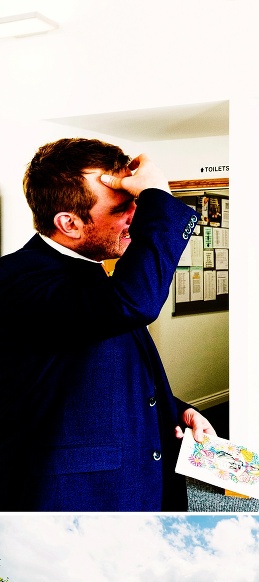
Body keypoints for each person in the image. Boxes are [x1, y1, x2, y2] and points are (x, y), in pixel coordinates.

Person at [0, 137, 214, 512]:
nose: (135, 214)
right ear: (69, 223)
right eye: (122, 206)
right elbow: (134, 304)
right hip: (80, 498)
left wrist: (176, 408)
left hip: (138, 483)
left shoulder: (95, 276)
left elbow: (88, 371)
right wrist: (157, 195)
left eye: (137, 202)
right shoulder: (14, 279)